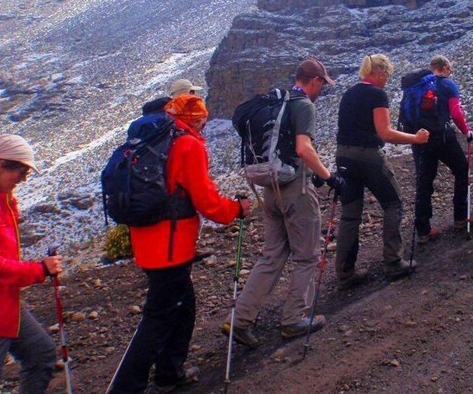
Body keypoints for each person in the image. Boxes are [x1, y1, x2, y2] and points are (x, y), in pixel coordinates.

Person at [108, 94, 250, 394]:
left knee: (181, 307)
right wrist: (235, 210)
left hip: (148, 242)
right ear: (195, 119)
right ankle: (127, 386)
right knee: (159, 316)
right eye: (202, 119)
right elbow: (206, 200)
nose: (205, 123)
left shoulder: (157, 139)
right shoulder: (187, 144)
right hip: (170, 246)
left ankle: (169, 373)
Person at [230, 59, 342, 348]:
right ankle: (294, 319)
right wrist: (328, 177)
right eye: (321, 84)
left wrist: (314, 173)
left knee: (272, 255)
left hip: (270, 187)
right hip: (296, 190)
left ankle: (239, 320)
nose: (321, 90)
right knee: (307, 255)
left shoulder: (277, 101)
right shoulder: (303, 105)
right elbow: (303, 148)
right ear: (314, 80)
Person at [335, 54, 430, 285]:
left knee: (350, 214)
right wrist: (416, 139)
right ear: (378, 73)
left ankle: (345, 272)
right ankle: (393, 262)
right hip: (367, 155)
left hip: (343, 156)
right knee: (393, 203)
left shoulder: (349, 93)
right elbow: (385, 132)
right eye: (386, 74)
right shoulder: (376, 94)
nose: (387, 79)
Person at [0, 135, 62, 394]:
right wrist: (38, 270)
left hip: (4, 303)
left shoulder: (1, 198)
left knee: (41, 354)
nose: (23, 179)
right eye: (21, 171)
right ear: (0, 166)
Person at [412, 55, 473, 243]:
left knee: (425, 180)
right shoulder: (447, 84)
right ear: (444, 67)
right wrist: (466, 131)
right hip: (442, 136)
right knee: (461, 169)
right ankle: (460, 217)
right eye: (449, 68)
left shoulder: (419, 86)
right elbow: (456, 112)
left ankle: (423, 229)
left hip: (420, 137)